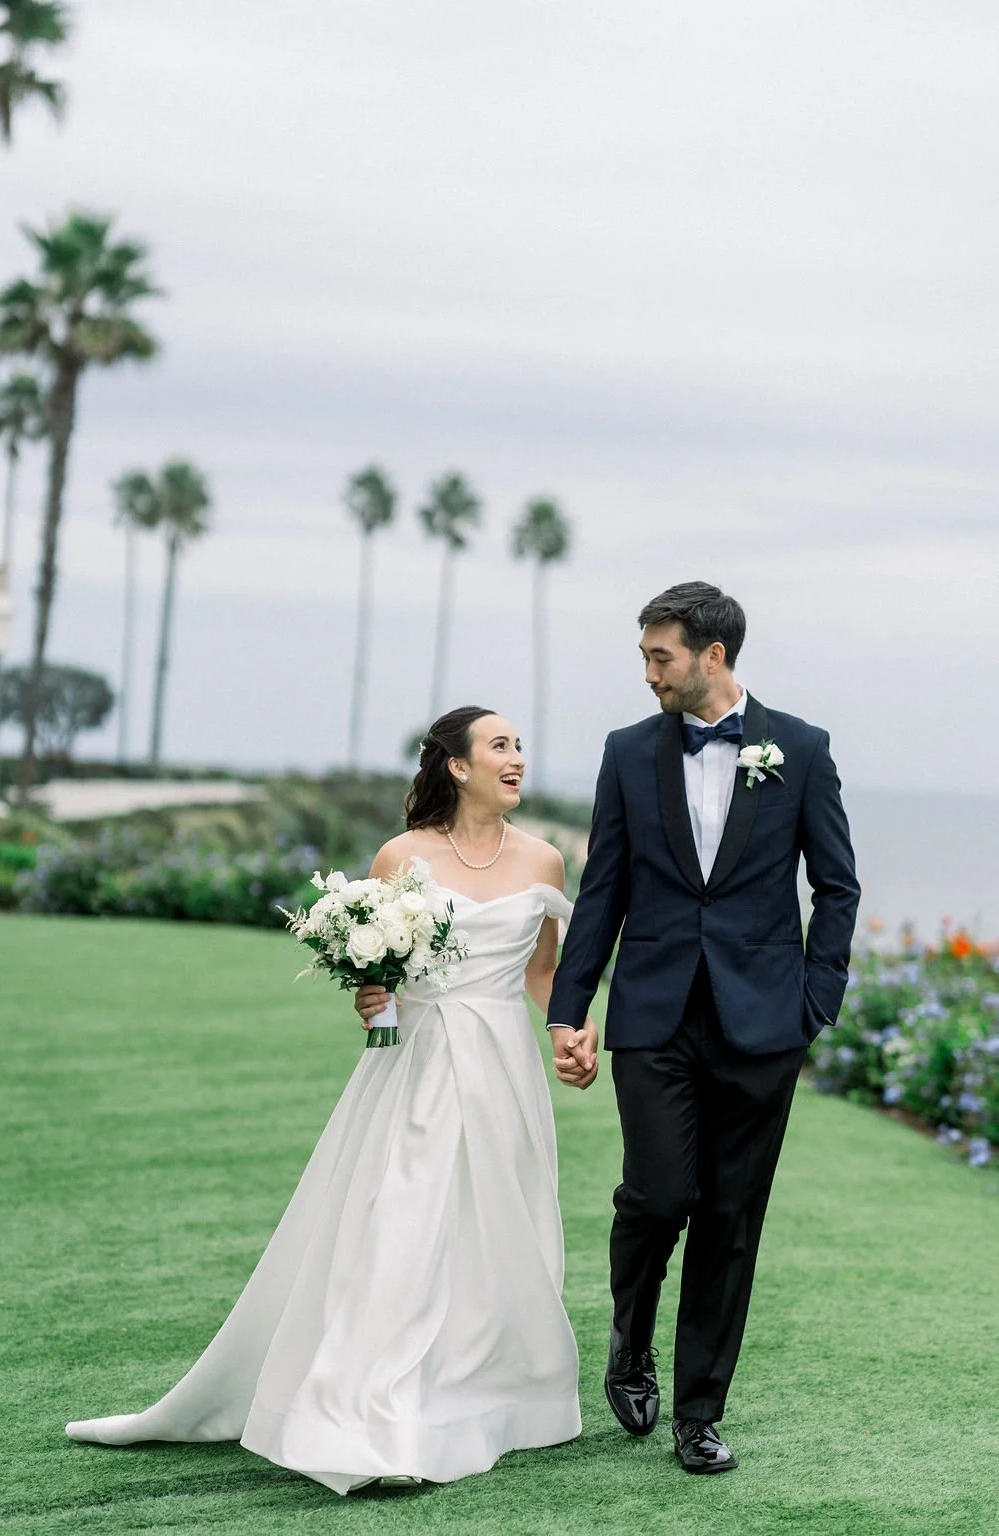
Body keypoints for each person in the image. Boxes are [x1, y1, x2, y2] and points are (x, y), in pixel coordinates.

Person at [66, 706, 596, 1495]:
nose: (516, 757)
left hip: (504, 1070)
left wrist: (570, 1032)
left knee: (495, 1223)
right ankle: (373, 1409)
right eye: (499, 746)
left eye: (519, 746)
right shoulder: (402, 856)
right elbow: (376, 979)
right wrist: (371, 999)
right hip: (417, 1065)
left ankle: (488, 1393)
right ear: (457, 766)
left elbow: (541, 971)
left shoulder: (544, 860)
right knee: (401, 1218)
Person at [547, 582, 859, 1474]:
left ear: (712, 656)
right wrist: (569, 1008)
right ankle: (630, 1341)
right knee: (657, 1197)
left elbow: (836, 886)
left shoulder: (801, 748)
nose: (649, 674)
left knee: (729, 1218)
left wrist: (814, 1004)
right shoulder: (627, 752)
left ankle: (698, 1414)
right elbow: (603, 887)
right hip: (653, 1017)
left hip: (764, 1025)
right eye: (646, 657)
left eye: (662, 658)